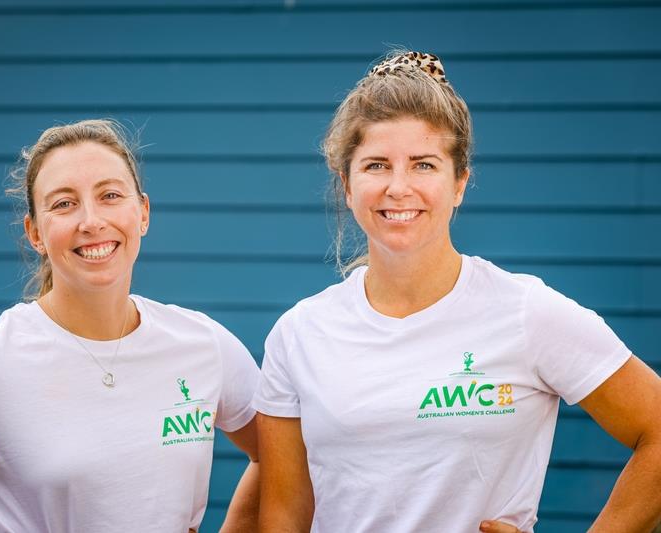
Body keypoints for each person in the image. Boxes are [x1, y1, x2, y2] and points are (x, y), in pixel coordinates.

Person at [253, 51, 661, 532]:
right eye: (377, 165)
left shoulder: (526, 313)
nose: (398, 187)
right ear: (346, 184)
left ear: (460, 182)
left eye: (424, 165)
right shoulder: (299, 333)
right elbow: (283, 516)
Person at [0, 119, 260, 533]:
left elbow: (282, 457)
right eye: (64, 204)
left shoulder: (202, 344)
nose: (91, 220)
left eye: (109, 195)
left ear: (142, 213)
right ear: (35, 232)